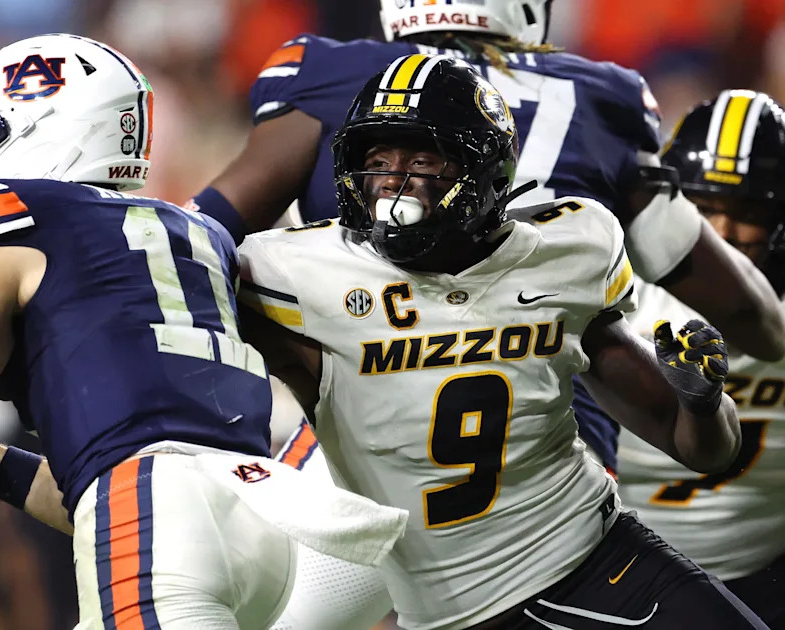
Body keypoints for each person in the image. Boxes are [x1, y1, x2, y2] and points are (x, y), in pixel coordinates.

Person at [0, 33, 407, 630]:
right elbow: (129, 485)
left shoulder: (21, 216)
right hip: (265, 521)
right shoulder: (199, 237)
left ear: (43, 130)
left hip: (161, 520)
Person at [238, 55, 767, 630]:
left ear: (482, 169)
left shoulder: (563, 251)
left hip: (603, 565)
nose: (392, 180)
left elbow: (705, 450)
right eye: (377, 160)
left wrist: (701, 401)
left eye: (421, 158)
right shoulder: (295, 274)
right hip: (453, 615)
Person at [192, 0, 785, 473]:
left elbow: (190, 241)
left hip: (371, 435)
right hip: (552, 462)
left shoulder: (331, 75)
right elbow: (752, 316)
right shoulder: (602, 102)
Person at [617, 90, 785, 630]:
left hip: (765, 572)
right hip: (618, 571)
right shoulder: (616, 287)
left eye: (750, 213)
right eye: (702, 208)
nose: (723, 234)